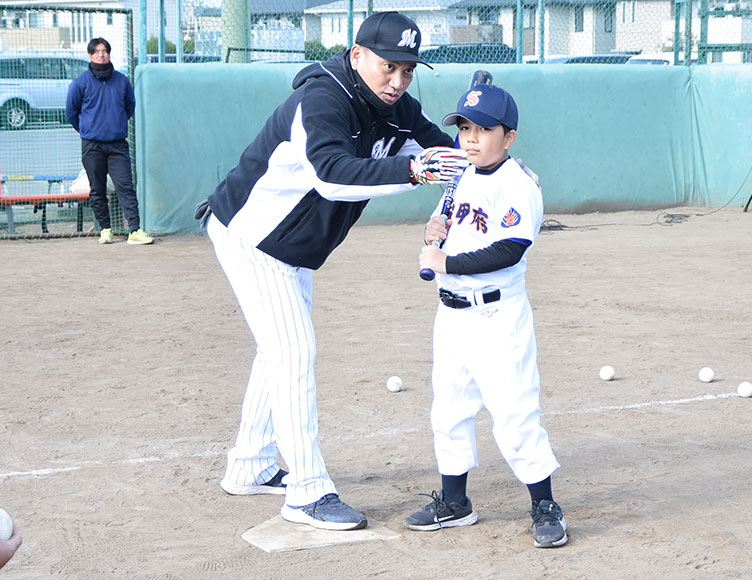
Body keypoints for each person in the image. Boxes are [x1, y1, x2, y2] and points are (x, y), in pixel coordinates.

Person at [199, 11, 467, 531]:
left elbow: (441, 149)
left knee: (279, 351)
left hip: (291, 247)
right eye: (388, 66)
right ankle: (306, 492)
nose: (398, 80)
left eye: (409, 70)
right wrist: (415, 171)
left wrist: (487, 161)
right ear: (358, 54)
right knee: (294, 349)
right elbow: (332, 177)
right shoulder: (320, 100)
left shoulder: (398, 107)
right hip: (251, 236)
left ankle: (249, 464)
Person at [410, 84, 567, 548]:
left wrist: (445, 263)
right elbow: (448, 224)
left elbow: (508, 250)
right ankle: (455, 503)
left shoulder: (518, 183)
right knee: (449, 409)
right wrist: (434, 229)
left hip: (497, 314)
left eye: (483, 129)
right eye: (464, 128)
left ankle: (544, 504)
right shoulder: (461, 175)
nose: (471, 138)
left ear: (509, 136)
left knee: (515, 413)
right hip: (452, 315)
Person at [66, 37, 153, 245]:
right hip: (92, 145)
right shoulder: (80, 84)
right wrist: (87, 130)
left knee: (125, 186)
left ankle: (134, 230)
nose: (101, 54)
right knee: (97, 188)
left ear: (109, 54)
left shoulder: (122, 81)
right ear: (90, 55)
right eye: (96, 51)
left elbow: (129, 106)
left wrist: (116, 124)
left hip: (117, 144)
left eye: (104, 51)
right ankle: (105, 229)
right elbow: (72, 112)